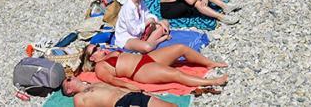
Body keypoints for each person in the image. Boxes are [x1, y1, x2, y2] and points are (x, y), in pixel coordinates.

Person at [64, 42, 228, 95]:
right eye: (95, 50)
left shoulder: (108, 53)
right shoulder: (100, 67)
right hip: (141, 71)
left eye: (98, 46)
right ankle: (211, 81)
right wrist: (131, 87)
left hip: (147, 59)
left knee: (180, 48)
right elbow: (113, 81)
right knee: (175, 73)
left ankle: (209, 63)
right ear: (92, 58)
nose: (100, 49)